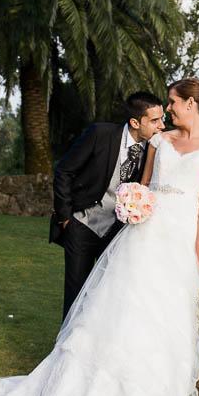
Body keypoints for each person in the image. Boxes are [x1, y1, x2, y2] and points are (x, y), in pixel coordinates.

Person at [0, 78, 199, 396]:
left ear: (190, 104)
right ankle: (85, 381)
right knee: (120, 302)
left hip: (180, 236)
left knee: (164, 309)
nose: (168, 109)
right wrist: (134, 205)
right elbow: (142, 185)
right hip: (143, 233)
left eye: (172, 102)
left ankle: (147, 391)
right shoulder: (159, 141)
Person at [48, 92, 166, 321]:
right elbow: (64, 171)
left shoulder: (155, 148)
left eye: (162, 118)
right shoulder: (100, 134)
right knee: (76, 293)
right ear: (135, 122)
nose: (162, 125)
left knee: (106, 294)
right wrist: (65, 217)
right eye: (155, 120)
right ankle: (67, 341)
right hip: (82, 224)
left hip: (117, 233)